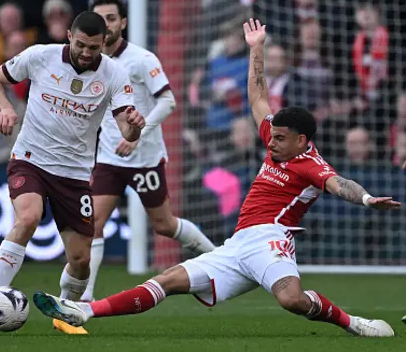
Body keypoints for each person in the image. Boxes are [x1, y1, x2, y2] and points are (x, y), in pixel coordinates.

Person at [31, 19, 399, 338]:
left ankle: (353, 323)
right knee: (168, 280)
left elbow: (339, 184)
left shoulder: (309, 164)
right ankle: (84, 310)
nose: (271, 141)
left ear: (302, 141)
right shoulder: (276, 138)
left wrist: (366, 199)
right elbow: (257, 98)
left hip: (272, 240)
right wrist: (257, 48)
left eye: (281, 138)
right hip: (239, 245)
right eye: (273, 134)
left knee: (291, 300)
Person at [0, 11, 145, 335]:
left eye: (93, 47)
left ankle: (63, 313)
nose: (86, 52)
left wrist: (133, 130)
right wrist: (5, 108)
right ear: (69, 36)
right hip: (30, 158)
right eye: (80, 44)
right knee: (28, 217)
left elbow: (125, 127)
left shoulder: (114, 74)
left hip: (75, 173)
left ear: (104, 43)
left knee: (81, 260)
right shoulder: (41, 56)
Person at [81, 0, 215, 301]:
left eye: (112, 18)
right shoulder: (91, 62)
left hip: (144, 157)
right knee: (93, 222)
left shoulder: (142, 59)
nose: (106, 24)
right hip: (109, 157)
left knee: (164, 225)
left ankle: (219, 262)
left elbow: (168, 101)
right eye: (100, 19)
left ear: (123, 23)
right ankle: (83, 297)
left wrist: (137, 136)